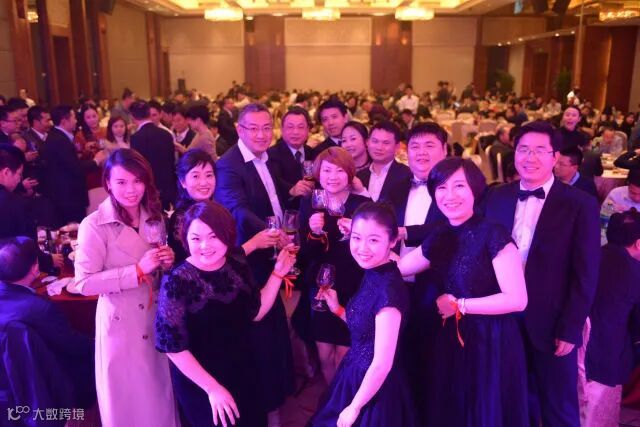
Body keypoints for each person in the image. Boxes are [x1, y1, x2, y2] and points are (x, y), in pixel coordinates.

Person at [483, 121, 600, 426]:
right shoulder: (496, 197)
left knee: (558, 407)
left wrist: (570, 328)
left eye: (539, 150)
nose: (529, 157)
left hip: (551, 322)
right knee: (507, 399)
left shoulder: (580, 204)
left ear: (554, 156)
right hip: (502, 319)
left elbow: (586, 274)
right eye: (523, 149)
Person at [397, 157, 529, 426]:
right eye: (441, 188)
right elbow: (402, 268)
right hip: (451, 335)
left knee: (483, 410)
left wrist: (460, 304)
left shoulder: (493, 233)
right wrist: (367, 242)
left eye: (459, 186)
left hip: (490, 338)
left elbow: (517, 300)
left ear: (475, 190)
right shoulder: (440, 233)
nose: (449, 195)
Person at [156, 201, 295, 427]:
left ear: (227, 235)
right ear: (185, 240)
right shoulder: (176, 281)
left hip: (243, 367)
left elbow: (255, 312)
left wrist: (278, 274)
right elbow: (173, 347)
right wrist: (212, 389)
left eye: (213, 236)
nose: (205, 246)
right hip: (201, 381)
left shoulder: (236, 264)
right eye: (195, 238)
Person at [74, 149, 179, 427]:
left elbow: (157, 269)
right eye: (121, 182)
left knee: (158, 397)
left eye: (137, 181)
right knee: (128, 402)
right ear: (107, 183)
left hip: (156, 317)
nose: (131, 190)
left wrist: (167, 261)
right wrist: (136, 271)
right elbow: (83, 282)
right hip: (121, 325)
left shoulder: (154, 216)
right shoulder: (93, 225)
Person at [214, 103, 294, 425]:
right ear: (239, 130)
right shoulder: (228, 165)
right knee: (259, 336)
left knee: (274, 332)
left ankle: (275, 402)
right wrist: (273, 233)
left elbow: (273, 196)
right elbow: (238, 209)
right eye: (253, 128)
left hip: (271, 256)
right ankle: (261, 408)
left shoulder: (267, 157)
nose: (261, 135)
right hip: (248, 261)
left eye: (266, 128)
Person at [311, 202, 416, 427]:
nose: (362, 248)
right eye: (356, 238)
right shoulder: (375, 272)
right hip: (355, 372)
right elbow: (367, 329)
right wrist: (338, 309)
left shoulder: (389, 292)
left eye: (374, 240)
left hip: (374, 386)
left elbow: (382, 364)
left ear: (393, 241)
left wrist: (355, 407)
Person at [0, 237, 95, 421]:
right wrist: (98, 344)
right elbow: (72, 344)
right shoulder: (40, 308)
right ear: (35, 268)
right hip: (38, 382)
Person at [300, 147, 369, 384]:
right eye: (327, 170)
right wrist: (314, 232)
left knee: (344, 354)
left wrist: (356, 233)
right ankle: (332, 397)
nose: (332, 176)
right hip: (322, 285)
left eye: (340, 171)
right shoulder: (310, 203)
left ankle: (343, 400)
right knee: (325, 355)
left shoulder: (361, 204)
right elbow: (305, 254)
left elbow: (373, 248)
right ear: (318, 173)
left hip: (354, 285)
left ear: (350, 174)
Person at [167, 149, 280, 265]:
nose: (204, 182)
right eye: (196, 176)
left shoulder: (214, 209)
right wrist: (253, 244)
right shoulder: (183, 217)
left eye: (209, 175)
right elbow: (208, 262)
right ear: (183, 182)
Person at [583, 209, 640, 427]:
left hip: (570, 349)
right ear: (638, 243)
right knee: (598, 417)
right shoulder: (635, 272)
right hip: (608, 357)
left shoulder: (588, 256)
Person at [0, 145, 62, 271]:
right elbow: (26, 246)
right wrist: (49, 260)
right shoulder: (16, 204)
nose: (19, 180)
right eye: (19, 174)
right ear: (6, 172)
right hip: (12, 269)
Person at [41, 105, 97, 227]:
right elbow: (74, 168)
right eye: (73, 117)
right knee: (76, 230)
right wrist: (96, 161)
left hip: (66, 196)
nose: (76, 121)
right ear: (64, 121)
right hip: (69, 197)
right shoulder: (60, 140)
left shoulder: (57, 136)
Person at [130, 101, 177, 210]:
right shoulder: (166, 134)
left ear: (132, 117)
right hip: (167, 186)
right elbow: (171, 162)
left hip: (148, 188)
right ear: (149, 113)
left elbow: (138, 166)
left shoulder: (136, 138)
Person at [268, 107, 315, 210]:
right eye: (290, 127)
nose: (295, 132)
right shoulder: (271, 154)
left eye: (300, 127)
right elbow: (275, 181)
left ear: (308, 129)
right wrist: (291, 190)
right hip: (286, 211)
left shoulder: (312, 152)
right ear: (282, 130)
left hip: (311, 211)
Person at [357, 121, 412, 205]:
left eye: (386, 143)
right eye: (375, 141)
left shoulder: (407, 175)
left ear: (397, 147)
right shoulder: (359, 177)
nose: (379, 147)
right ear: (367, 142)